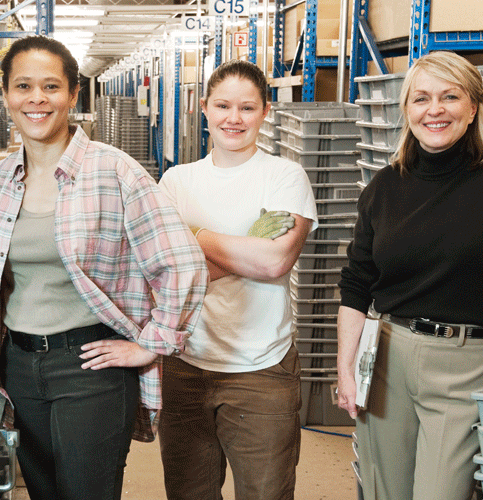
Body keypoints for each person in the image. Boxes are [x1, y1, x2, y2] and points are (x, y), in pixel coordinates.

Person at [0, 35, 208, 500]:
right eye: (23, 86)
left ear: (72, 94)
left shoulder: (116, 173)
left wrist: (152, 343)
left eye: (51, 87)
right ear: (6, 94)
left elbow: (183, 264)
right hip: (20, 368)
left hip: (91, 368)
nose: (36, 99)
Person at [336, 50, 483, 500]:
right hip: (387, 360)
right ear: (407, 111)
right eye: (421, 99)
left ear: (473, 107)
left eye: (449, 96)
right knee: (385, 492)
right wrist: (346, 371)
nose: (434, 110)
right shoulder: (384, 186)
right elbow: (356, 285)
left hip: (466, 363)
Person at [157, 59, 317, 500]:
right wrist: (248, 243)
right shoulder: (176, 181)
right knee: (188, 492)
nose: (234, 118)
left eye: (247, 108)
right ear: (204, 108)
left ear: (265, 111)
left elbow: (273, 263)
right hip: (185, 363)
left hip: (261, 370)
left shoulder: (285, 177)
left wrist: (193, 237)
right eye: (223, 106)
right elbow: (164, 276)